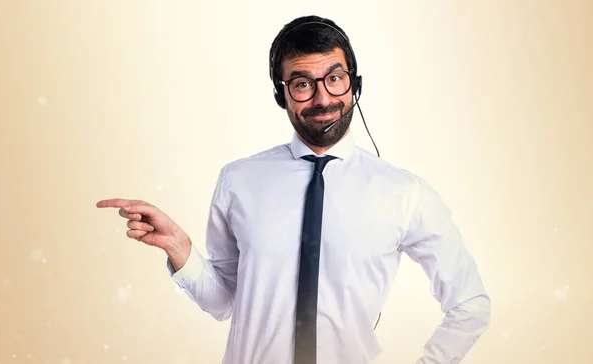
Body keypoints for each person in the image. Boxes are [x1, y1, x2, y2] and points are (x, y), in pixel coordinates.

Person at [97, 15, 491, 364]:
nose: (323, 98)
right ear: (281, 93)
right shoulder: (239, 180)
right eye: (303, 83)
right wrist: (180, 250)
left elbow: (470, 304)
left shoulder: (405, 193)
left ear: (355, 84)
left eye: (335, 79)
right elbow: (224, 304)